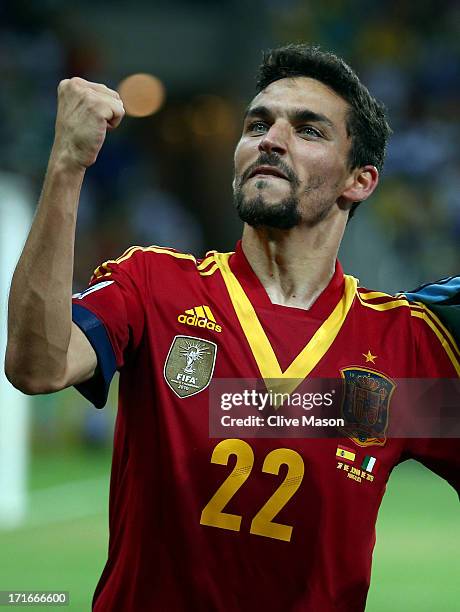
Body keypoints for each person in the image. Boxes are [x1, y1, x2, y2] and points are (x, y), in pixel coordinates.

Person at [5, 44, 459, 611]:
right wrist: (67, 166)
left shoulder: (404, 344)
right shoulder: (154, 286)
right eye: (258, 124)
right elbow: (37, 365)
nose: (271, 139)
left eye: (309, 130)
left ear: (360, 180)